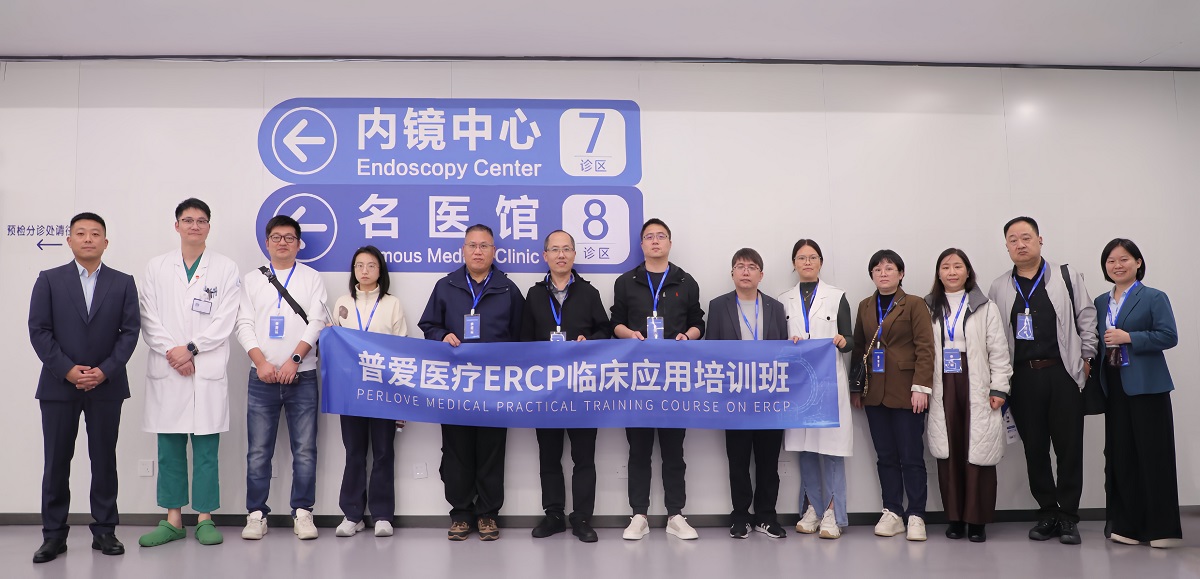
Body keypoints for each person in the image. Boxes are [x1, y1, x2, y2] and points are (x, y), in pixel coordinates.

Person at [29, 212, 140, 563]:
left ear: (105, 242)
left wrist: (104, 371)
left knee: (104, 459)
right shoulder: (49, 280)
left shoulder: (123, 282)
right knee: (56, 461)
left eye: (95, 233)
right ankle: (53, 535)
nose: (88, 239)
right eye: (81, 233)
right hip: (58, 386)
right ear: (70, 240)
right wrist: (67, 370)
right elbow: (39, 331)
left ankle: (105, 530)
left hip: (106, 386)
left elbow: (130, 333)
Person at [136, 198, 241, 548]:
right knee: (169, 448)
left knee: (207, 448)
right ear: (176, 225)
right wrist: (174, 352)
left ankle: (205, 518)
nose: (194, 226)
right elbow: (148, 316)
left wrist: (192, 348)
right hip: (169, 368)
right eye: (188, 220)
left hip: (205, 367)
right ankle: (173, 519)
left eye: (201, 220)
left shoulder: (225, 268)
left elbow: (226, 318)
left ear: (209, 226)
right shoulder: (156, 267)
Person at [987, 216, 1096, 545]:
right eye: (1013, 240)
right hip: (1023, 378)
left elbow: (1086, 317)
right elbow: (996, 335)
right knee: (1035, 449)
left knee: (1069, 448)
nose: (1020, 244)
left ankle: (1069, 517)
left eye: (1026, 237)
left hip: (1063, 374)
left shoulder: (1066, 276)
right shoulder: (999, 286)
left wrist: (1087, 359)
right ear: (1006, 246)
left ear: (1039, 240)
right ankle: (1048, 512)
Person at [418, 224, 524, 541]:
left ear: (494, 251)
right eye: (472, 245)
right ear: (463, 250)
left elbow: (521, 336)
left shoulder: (507, 289)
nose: (478, 251)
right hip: (455, 385)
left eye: (484, 246)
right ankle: (461, 514)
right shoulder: (446, 285)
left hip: (495, 386)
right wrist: (441, 335)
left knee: (492, 449)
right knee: (457, 450)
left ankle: (488, 514)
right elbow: (429, 325)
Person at [235, 214, 329, 541]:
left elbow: (316, 322)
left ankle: (302, 512)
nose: (283, 242)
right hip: (261, 377)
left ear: (299, 243)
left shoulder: (312, 278)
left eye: (290, 237)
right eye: (276, 237)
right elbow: (243, 324)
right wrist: (261, 362)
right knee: (258, 452)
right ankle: (256, 515)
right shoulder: (251, 280)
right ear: (267, 243)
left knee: (305, 451)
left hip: (302, 376)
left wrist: (295, 360)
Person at [611, 218, 705, 540]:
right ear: (641, 245)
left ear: (669, 243)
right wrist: (629, 334)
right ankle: (639, 515)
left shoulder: (685, 281)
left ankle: (676, 514)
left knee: (673, 450)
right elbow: (615, 322)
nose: (655, 241)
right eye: (649, 237)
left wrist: (687, 337)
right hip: (637, 379)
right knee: (638, 450)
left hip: (674, 380)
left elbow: (698, 323)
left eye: (660, 236)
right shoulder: (626, 282)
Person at [520, 230, 610, 543]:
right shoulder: (533, 295)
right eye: (555, 250)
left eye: (567, 249)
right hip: (546, 389)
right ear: (545, 256)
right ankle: (554, 515)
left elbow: (605, 332)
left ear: (574, 255)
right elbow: (523, 340)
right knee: (549, 455)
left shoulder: (589, 292)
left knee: (584, 457)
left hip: (582, 388)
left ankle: (582, 518)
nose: (561, 255)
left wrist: (590, 340)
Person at [1094, 239, 1181, 548]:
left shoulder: (1154, 297)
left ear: (1138, 262)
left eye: (1124, 259)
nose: (1117, 265)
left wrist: (1130, 337)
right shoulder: (1101, 302)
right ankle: (1127, 526)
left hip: (1147, 386)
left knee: (1154, 454)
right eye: (1111, 261)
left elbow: (1169, 336)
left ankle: (1162, 529)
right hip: (1114, 385)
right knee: (1121, 455)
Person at [924, 248, 1012, 543]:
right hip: (941, 384)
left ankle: (977, 520)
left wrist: (999, 388)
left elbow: (998, 351)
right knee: (948, 449)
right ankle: (955, 518)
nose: (951, 272)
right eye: (945, 267)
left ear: (967, 271)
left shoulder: (985, 307)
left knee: (979, 449)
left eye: (957, 266)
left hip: (976, 382)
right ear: (938, 273)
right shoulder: (928, 307)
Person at [850, 249, 935, 542]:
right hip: (874, 393)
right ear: (872, 275)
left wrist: (921, 387)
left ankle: (917, 514)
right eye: (877, 269)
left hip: (907, 392)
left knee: (911, 456)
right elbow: (859, 348)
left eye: (889, 268)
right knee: (885, 456)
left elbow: (925, 347)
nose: (883, 273)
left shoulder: (915, 304)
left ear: (901, 273)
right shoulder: (864, 306)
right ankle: (893, 512)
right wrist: (856, 389)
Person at [706, 248, 788, 539]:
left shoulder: (776, 307)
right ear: (732, 273)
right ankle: (740, 516)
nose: (745, 271)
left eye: (752, 267)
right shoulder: (718, 306)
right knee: (738, 461)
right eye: (740, 266)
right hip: (734, 397)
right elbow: (711, 349)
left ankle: (766, 516)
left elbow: (783, 351)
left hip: (769, 397)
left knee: (768, 462)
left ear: (760, 275)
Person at [780, 239, 855, 540]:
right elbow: (777, 343)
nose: (807, 262)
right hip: (799, 386)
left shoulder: (837, 297)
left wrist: (842, 341)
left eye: (812, 257)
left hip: (829, 383)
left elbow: (851, 340)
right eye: (801, 258)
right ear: (794, 263)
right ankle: (812, 507)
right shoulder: (783, 300)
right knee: (806, 448)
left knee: (833, 449)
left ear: (821, 262)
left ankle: (833, 513)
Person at [331, 246, 408, 538]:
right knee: (354, 452)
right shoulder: (342, 303)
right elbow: (335, 347)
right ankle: (352, 515)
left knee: (384, 452)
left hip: (384, 390)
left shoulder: (392, 303)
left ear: (380, 271)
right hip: (350, 391)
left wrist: (400, 399)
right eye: (359, 265)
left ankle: (382, 515)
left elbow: (402, 348)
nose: (364, 271)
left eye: (371, 265)